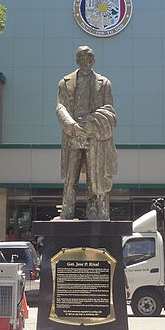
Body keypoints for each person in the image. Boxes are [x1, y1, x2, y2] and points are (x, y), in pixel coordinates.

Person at [56, 45, 117, 220]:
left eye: (89, 59)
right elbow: (60, 107)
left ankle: (94, 209)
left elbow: (109, 109)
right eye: (82, 59)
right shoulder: (65, 82)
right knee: (71, 175)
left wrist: (92, 122)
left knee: (95, 175)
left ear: (93, 61)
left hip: (94, 136)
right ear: (76, 61)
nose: (85, 62)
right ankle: (67, 209)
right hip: (73, 135)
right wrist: (72, 126)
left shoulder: (104, 83)